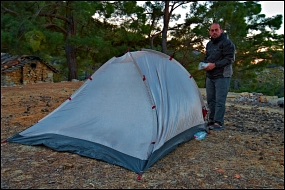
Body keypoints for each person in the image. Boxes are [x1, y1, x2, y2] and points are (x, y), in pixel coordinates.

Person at [202, 23, 236, 130]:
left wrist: (215, 65)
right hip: (210, 75)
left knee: (220, 100)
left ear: (221, 30)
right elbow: (207, 57)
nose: (214, 32)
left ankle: (218, 122)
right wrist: (204, 64)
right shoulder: (209, 44)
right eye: (212, 30)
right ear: (209, 32)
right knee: (211, 100)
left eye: (216, 30)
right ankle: (211, 120)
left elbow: (229, 59)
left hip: (222, 75)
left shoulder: (227, 43)